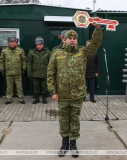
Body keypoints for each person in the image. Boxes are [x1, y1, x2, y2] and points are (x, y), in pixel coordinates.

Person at [47, 18, 102, 158]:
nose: (72, 40)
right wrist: (53, 91)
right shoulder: (57, 54)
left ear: (77, 40)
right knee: (64, 119)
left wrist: (97, 30)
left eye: (74, 38)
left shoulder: (83, 53)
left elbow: (95, 44)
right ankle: (64, 143)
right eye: (69, 38)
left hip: (77, 94)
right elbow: (50, 73)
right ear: (64, 40)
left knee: (75, 119)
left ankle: (74, 143)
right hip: (63, 94)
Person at [0, 37, 26, 104]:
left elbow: (24, 60)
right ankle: (9, 99)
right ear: (8, 43)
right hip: (8, 72)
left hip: (18, 72)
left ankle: (21, 99)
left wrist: (24, 69)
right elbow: (1, 61)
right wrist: (2, 70)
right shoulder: (4, 51)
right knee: (9, 87)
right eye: (11, 42)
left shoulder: (20, 50)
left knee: (19, 86)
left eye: (14, 42)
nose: (13, 43)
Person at [27, 37, 50, 104]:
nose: (39, 46)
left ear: (43, 45)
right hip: (35, 72)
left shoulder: (47, 52)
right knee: (36, 86)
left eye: (40, 45)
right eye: (37, 45)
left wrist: (50, 72)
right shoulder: (31, 52)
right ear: (36, 45)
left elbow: (50, 62)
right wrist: (29, 71)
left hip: (44, 72)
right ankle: (37, 98)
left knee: (44, 86)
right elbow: (28, 62)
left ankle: (44, 98)